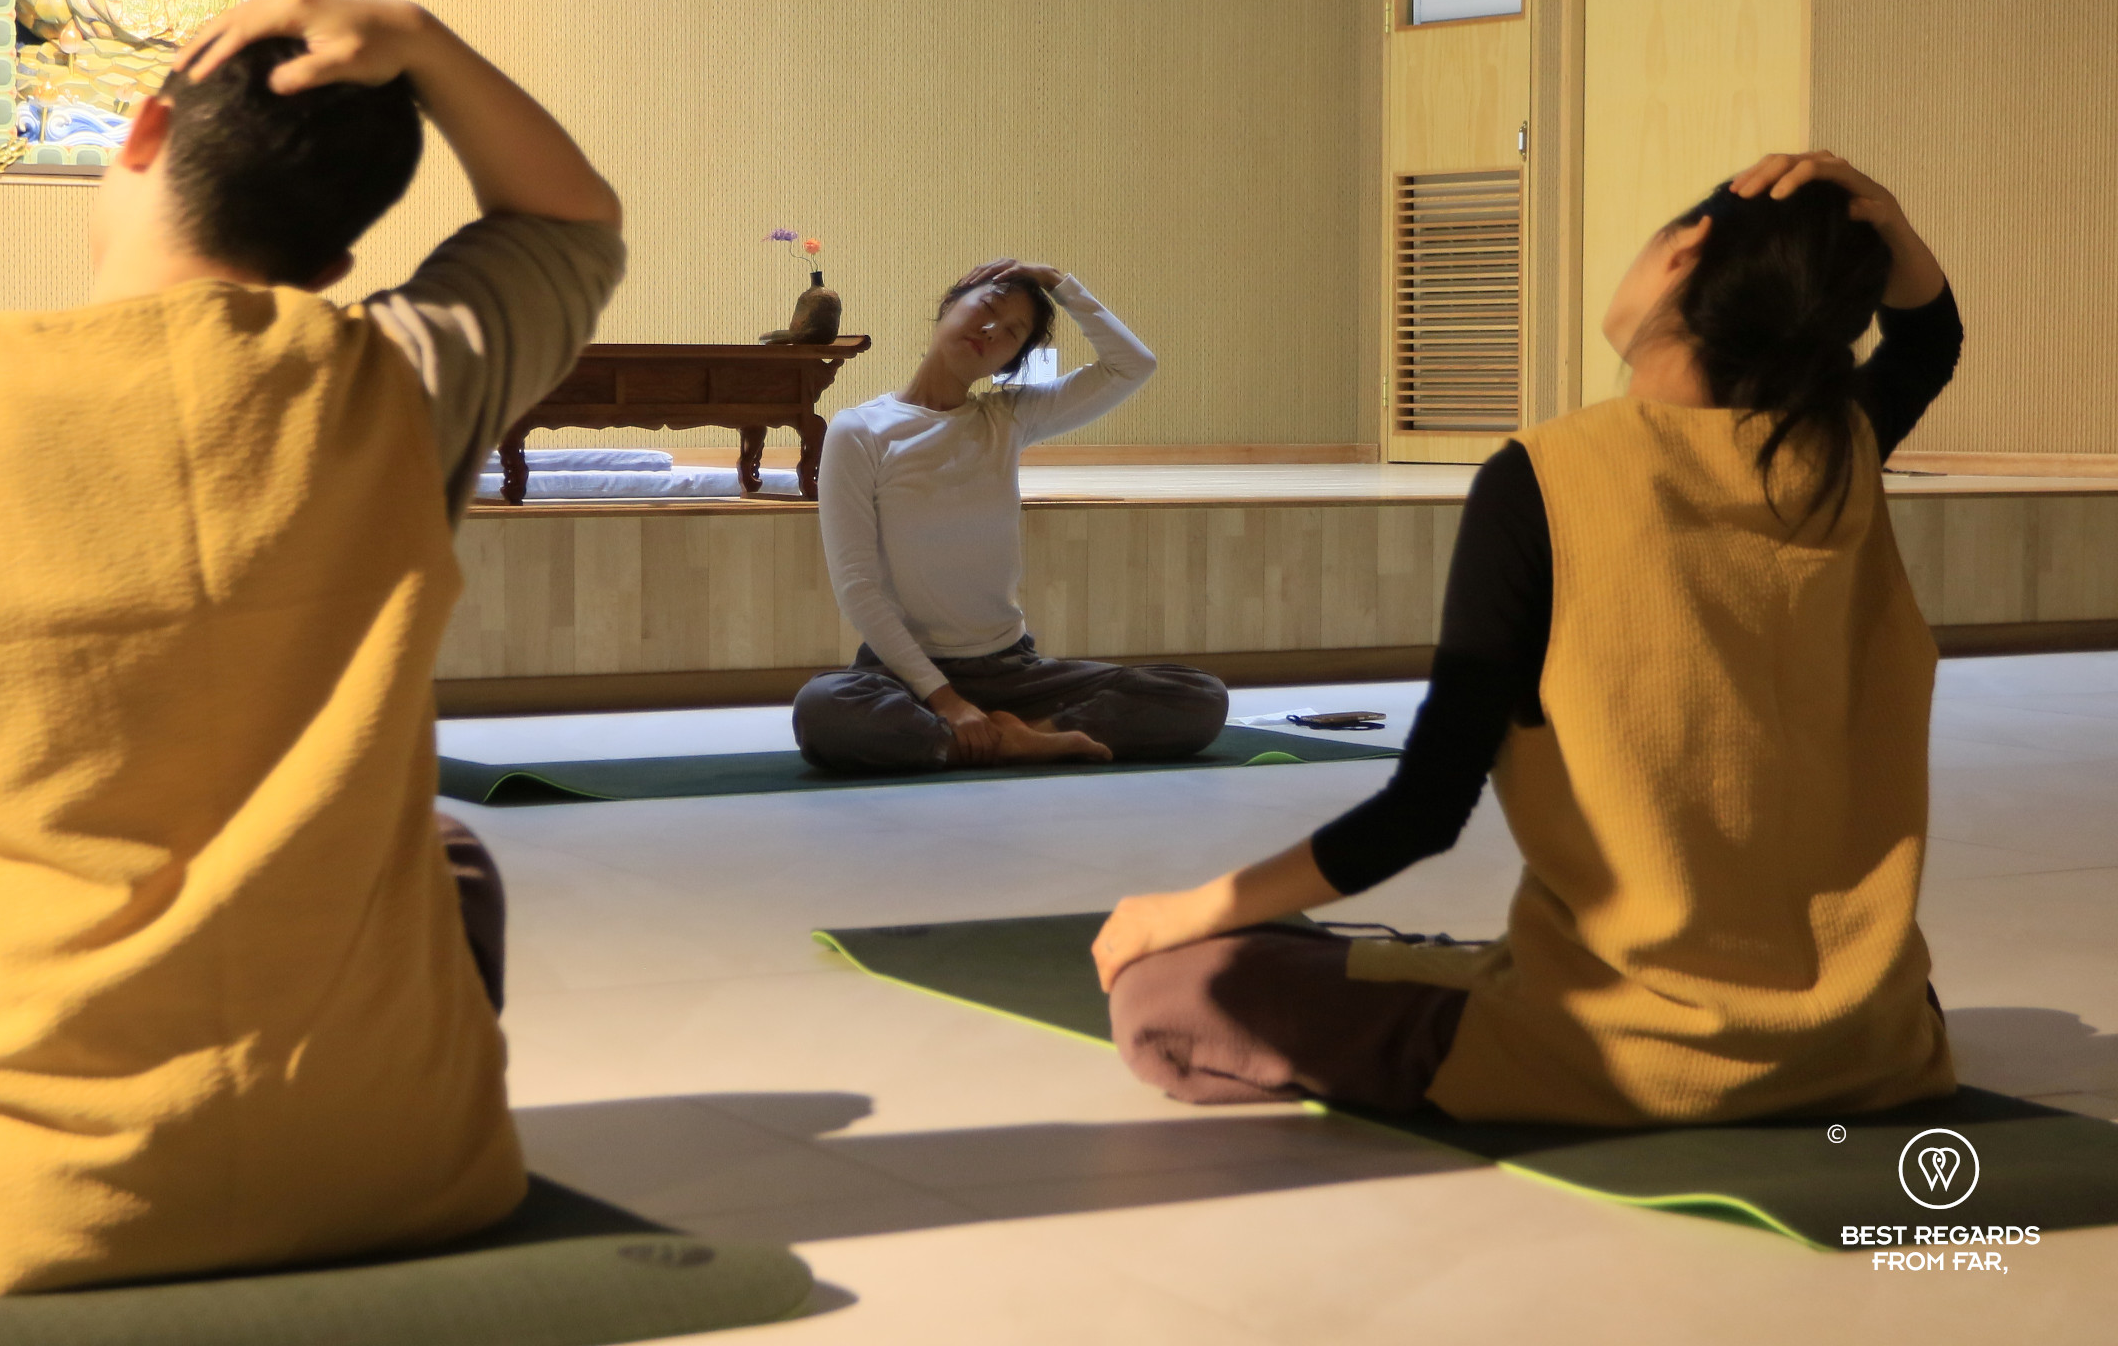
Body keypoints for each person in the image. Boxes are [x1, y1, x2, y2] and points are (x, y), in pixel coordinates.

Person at [0, 0, 625, 1293]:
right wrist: (422, 37)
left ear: (142, 131)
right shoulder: (407, 378)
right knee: (447, 857)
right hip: (397, 1163)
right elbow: (568, 220)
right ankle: (332, 1105)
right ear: (335, 266)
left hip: (35, 1191)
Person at [1092, 151, 1963, 1125]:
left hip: (1618, 1050)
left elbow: (1425, 810)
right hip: (1864, 1035)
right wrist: (1883, 217)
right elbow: (1931, 339)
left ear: (1687, 251)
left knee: (1168, 994)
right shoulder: (1840, 452)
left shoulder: (1545, 478)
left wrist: (1181, 911)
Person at [793, 259, 1229, 773]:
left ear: (1009, 361)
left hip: (1011, 670)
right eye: (988, 307)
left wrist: (1059, 283)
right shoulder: (860, 430)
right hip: (905, 674)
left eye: (1012, 333)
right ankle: (1009, 740)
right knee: (823, 708)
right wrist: (946, 700)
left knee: (1199, 695)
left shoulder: (1008, 417)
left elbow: (1133, 365)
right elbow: (857, 585)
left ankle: (1007, 739)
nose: (991, 330)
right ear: (949, 306)